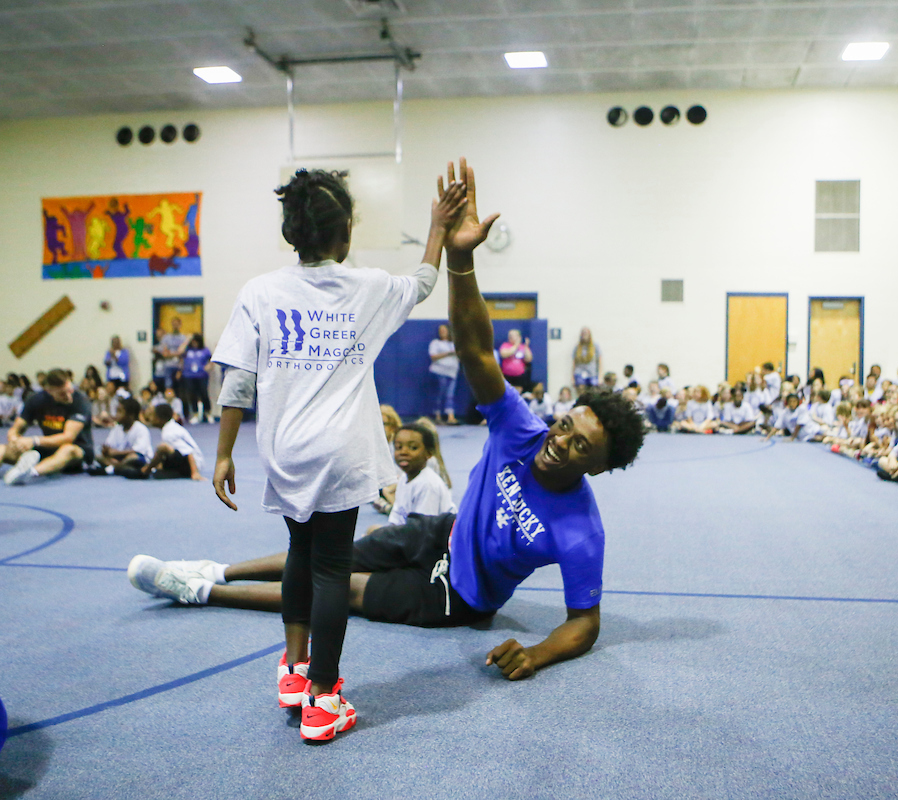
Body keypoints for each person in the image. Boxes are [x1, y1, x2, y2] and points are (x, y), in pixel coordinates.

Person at [129, 158, 646, 696]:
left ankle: (198, 590)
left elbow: (586, 621)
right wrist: (459, 257)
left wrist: (537, 654)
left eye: (578, 445)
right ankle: (219, 569)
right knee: (322, 557)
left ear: (600, 466)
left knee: (341, 585)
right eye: (563, 425)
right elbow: (476, 348)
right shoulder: (524, 430)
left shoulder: (581, 529)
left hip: (458, 593)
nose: (557, 442)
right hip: (440, 531)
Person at [132, 170, 466, 742]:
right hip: (341, 451)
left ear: (294, 233)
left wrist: (223, 454)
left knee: (299, 551)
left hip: (285, 450)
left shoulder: (260, 291)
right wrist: (436, 227)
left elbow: (237, 381)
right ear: (345, 235)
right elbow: (425, 280)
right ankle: (323, 698)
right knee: (333, 568)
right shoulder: (368, 286)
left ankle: (294, 668)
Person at [1, 368, 94, 485]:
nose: (68, 396)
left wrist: (34, 441)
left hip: (77, 451)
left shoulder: (80, 402)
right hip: (48, 448)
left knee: (68, 449)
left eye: (69, 390)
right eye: (62, 393)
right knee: (2, 449)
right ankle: (27, 466)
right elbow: (17, 426)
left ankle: (30, 472)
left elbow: (68, 437)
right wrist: (14, 439)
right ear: (49, 390)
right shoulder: (36, 400)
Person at [367, 422, 457, 533]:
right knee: (373, 532)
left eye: (413, 448)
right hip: (412, 535)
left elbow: (424, 533)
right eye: (398, 447)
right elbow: (396, 521)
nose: (403, 452)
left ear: (428, 453)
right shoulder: (404, 479)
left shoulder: (428, 484)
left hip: (432, 542)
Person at [89, 396, 154, 475]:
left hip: (139, 458)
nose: (116, 415)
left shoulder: (141, 429)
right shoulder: (117, 428)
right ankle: (120, 468)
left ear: (131, 415)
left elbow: (138, 451)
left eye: (120, 412)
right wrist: (106, 451)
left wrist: (116, 453)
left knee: (132, 458)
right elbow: (109, 446)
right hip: (120, 458)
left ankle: (111, 469)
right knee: (98, 457)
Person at [138, 403, 205, 480]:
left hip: (194, 464)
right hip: (186, 460)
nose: (150, 418)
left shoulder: (169, 433)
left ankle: (147, 470)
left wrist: (195, 473)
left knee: (162, 448)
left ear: (158, 419)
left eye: (152, 416)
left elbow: (188, 452)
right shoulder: (171, 427)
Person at [428, 324, 459, 425]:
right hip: (439, 372)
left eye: (444, 330)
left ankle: (450, 417)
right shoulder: (436, 343)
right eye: (440, 330)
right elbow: (433, 356)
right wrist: (448, 353)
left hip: (452, 373)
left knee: (450, 395)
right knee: (439, 394)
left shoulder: (454, 343)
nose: (443, 332)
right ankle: (437, 416)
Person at [180, 333, 213, 423]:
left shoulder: (205, 350)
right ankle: (195, 413)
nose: (194, 343)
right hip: (189, 375)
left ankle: (208, 413)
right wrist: (187, 340)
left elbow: (211, 359)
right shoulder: (188, 350)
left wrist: (208, 366)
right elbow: (180, 351)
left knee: (203, 393)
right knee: (192, 394)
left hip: (201, 375)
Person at [157, 317, 189, 390]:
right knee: (168, 386)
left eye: (176, 324)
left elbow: (183, 353)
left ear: (180, 325)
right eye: (173, 324)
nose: (175, 326)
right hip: (168, 366)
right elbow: (164, 353)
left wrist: (171, 353)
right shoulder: (166, 338)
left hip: (180, 366)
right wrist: (177, 353)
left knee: (180, 387)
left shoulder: (183, 338)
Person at [499, 329, 533, 393]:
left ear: (519, 337)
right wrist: (516, 345)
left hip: (519, 377)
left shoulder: (523, 347)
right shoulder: (505, 345)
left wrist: (526, 347)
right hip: (507, 376)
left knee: (517, 394)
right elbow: (504, 354)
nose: (511, 337)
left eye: (513, 336)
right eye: (510, 336)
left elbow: (529, 359)